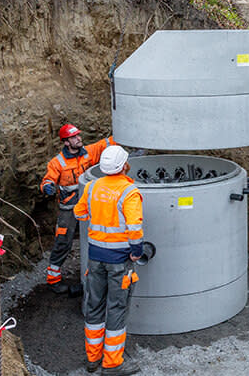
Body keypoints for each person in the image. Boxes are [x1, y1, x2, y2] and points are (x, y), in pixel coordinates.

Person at [74, 145, 143, 375]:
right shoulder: (129, 192)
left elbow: (79, 213)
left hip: (95, 258)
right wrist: (136, 251)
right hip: (119, 261)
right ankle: (112, 364)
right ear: (124, 165)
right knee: (116, 308)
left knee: (94, 305)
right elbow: (134, 227)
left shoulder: (92, 186)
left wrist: (99, 217)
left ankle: (92, 359)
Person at [40, 123, 116, 294]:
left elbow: (109, 142)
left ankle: (97, 273)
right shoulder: (57, 163)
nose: (78, 139)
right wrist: (47, 187)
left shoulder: (89, 152)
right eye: (74, 137)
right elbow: (47, 179)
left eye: (78, 136)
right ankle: (53, 280)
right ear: (66, 142)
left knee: (98, 237)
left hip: (91, 205)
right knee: (63, 241)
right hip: (69, 208)